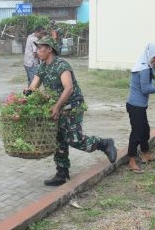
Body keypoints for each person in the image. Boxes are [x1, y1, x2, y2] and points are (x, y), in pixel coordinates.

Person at [25, 36, 117, 186]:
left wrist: (56, 107)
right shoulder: (42, 66)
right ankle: (62, 173)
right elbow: (33, 86)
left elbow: (69, 88)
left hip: (72, 106)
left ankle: (104, 143)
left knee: (75, 140)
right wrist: (27, 93)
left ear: (49, 49)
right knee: (59, 140)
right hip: (58, 108)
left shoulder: (62, 65)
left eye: (40, 48)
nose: (37, 51)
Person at [126, 43, 155, 172]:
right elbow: (145, 89)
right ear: (148, 55)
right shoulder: (144, 68)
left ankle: (145, 154)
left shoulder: (148, 66)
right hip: (135, 106)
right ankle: (131, 160)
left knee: (145, 130)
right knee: (137, 133)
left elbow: (147, 87)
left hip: (140, 105)